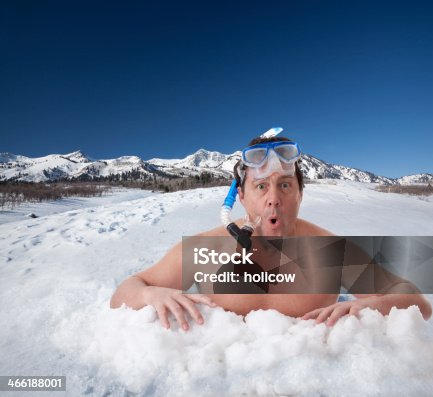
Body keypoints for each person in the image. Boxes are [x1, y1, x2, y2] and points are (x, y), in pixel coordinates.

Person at [110, 133, 432, 330]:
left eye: (285, 185)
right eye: (261, 186)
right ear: (241, 196)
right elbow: (126, 291)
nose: (273, 199)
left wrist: (373, 305)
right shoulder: (209, 248)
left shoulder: (331, 250)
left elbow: (418, 302)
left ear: (300, 194)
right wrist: (150, 294)